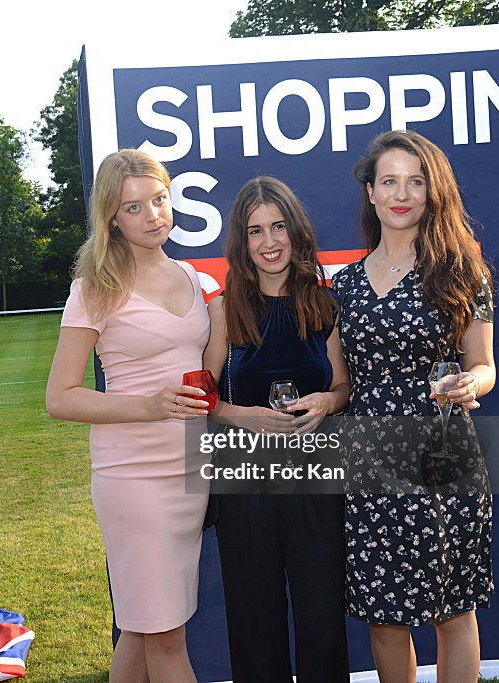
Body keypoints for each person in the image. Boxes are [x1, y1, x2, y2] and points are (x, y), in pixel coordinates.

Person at [331, 130, 496, 683]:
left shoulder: (462, 272)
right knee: (385, 615)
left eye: (416, 181)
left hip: (444, 456)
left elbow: (486, 366)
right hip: (372, 461)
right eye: (389, 181)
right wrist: (320, 400)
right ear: (371, 193)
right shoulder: (345, 285)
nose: (402, 194)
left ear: (432, 192)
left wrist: (471, 383)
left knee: (453, 609)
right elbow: (342, 385)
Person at [46, 148, 210, 683]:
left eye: (159, 200)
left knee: (144, 627)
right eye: (134, 208)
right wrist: (148, 406)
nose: (153, 215)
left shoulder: (191, 276)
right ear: (111, 217)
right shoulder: (94, 287)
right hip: (133, 475)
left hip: (190, 469)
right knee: (166, 636)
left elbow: (209, 367)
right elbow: (61, 396)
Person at [202, 176, 351, 682]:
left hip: (315, 479)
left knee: (322, 617)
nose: (269, 241)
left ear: (296, 232)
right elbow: (204, 397)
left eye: (278, 227)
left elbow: (342, 386)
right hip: (245, 482)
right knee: (253, 617)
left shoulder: (323, 303)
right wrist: (244, 416)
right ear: (241, 243)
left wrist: (326, 404)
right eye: (255, 231)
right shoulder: (223, 308)